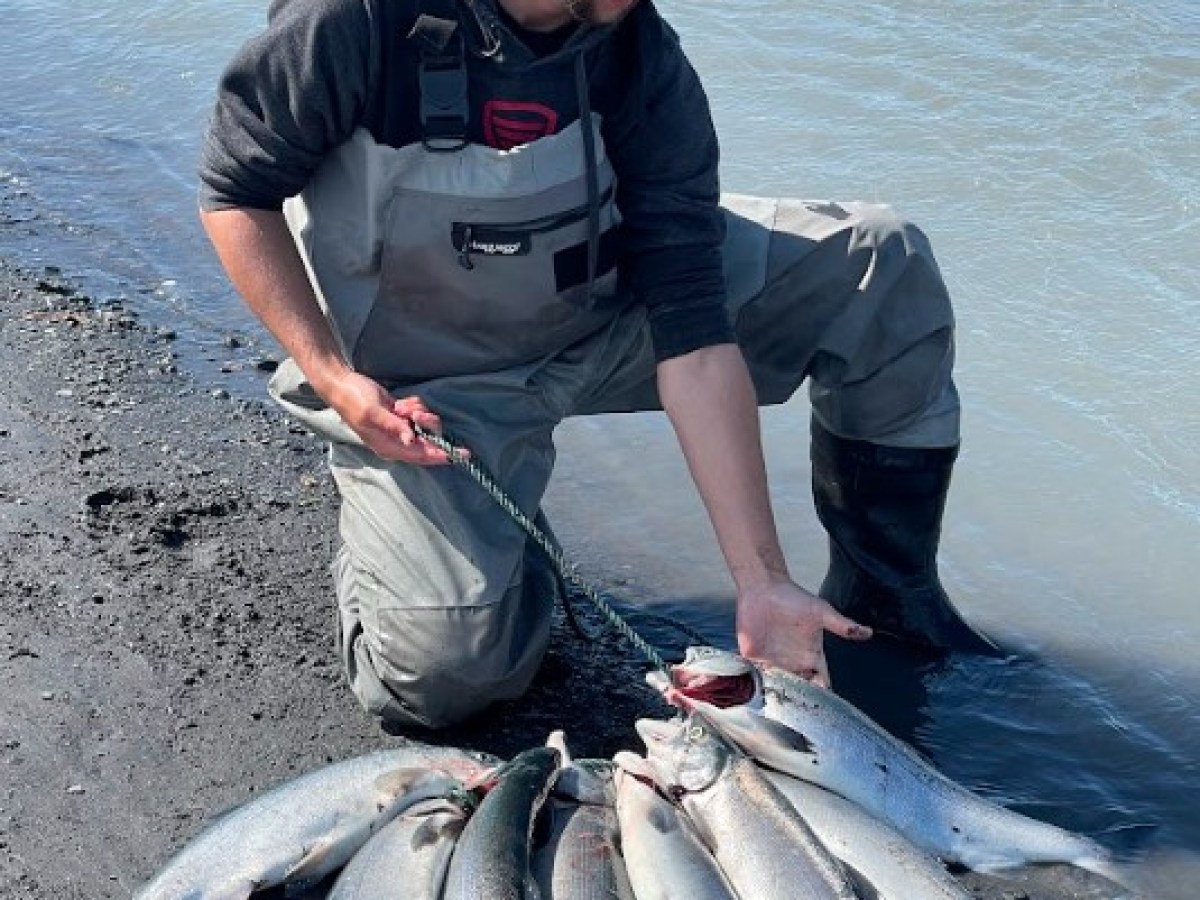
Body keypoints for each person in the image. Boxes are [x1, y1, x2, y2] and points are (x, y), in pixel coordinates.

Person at [198, 0, 996, 731]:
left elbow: (693, 328)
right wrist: (334, 374)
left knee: (877, 260)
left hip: (607, 315)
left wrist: (759, 579)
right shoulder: (355, 21)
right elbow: (235, 193)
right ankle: (422, 543)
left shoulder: (643, 52)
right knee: (441, 684)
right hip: (429, 388)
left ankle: (884, 603)